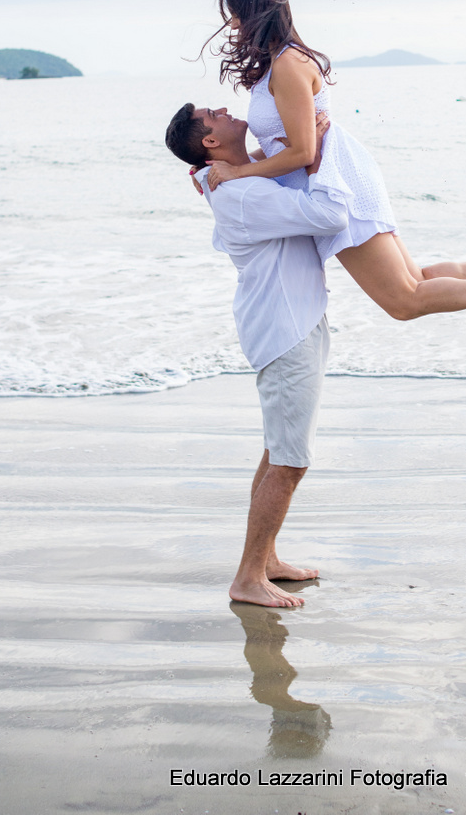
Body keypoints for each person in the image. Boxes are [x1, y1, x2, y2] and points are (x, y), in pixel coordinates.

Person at [198, 0, 466, 317]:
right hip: (340, 177)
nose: (231, 23)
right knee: (417, 278)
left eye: (234, 12)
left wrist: (237, 175)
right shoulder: (277, 63)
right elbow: (286, 143)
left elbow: (303, 152)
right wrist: (226, 169)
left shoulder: (287, 65)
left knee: (404, 300)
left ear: (252, 10)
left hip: (334, 185)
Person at [165, 102, 346, 609]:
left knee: (277, 451)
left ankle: (265, 559)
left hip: (288, 322)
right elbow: (331, 214)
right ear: (208, 143)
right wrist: (319, 153)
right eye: (212, 114)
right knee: (290, 461)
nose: (223, 108)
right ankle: (247, 577)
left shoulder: (234, 181)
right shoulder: (242, 191)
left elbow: (263, 175)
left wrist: (289, 147)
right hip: (286, 330)